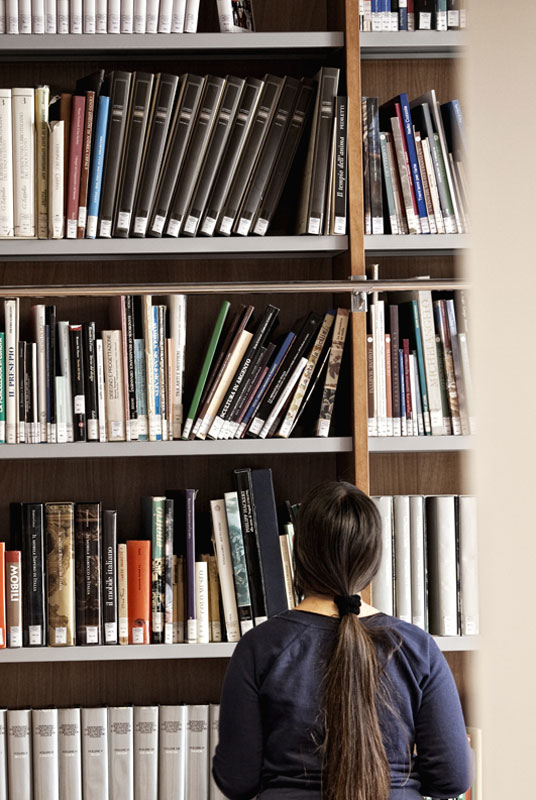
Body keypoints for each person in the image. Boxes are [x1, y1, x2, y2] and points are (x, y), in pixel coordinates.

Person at [212, 480, 474, 800]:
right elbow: (452, 778)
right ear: (373, 558)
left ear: (299, 553)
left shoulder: (260, 646)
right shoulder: (418, 648)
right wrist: (397, 774)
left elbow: (237, 779)